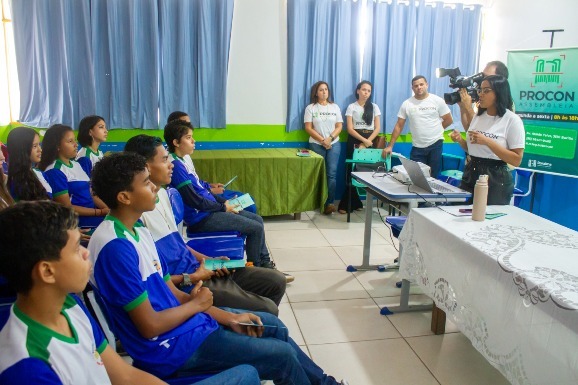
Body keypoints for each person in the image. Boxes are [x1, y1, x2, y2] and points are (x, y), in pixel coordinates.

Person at [88, 152, 348, 385]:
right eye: (146, 183)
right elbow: (149, 326)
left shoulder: (138, 230)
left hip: (187, 325)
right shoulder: (115, 248)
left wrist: (227, 317)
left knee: (273, 326)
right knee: (282, 357)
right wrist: (197, 305)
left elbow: (174, 294)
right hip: (169, 349)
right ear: (124, 197)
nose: (154, 187)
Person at [0, 201, 261, 385]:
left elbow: (122, 375)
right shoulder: (26, 367)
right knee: (248, 374)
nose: (85, 252)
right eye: (75, 248)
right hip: (167, 349)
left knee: (253, 363)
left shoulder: (68, 306)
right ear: (47, 272)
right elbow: (149, 326)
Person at [125, 134, 286, 315]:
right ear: (145, 167)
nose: (170, 164)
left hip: (200, 269)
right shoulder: (137, 216)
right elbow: (158, 282)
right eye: (164, 160)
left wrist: (208, 260)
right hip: (189, 283)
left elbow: (180, 246)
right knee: (266, 307)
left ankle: (255, 322)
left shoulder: (162, 195)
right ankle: (250, 324)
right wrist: (193, 277)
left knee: (276, 281)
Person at [163, 120, 288, 278]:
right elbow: (194, 200)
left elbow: (202, 191)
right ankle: (259, 272)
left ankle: (265, 264)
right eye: (188, 138)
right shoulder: (176, 166)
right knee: (255, 228)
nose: (193, 141)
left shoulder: (182, 161)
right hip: (202, 218)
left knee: (257, 220)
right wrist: (223, 207)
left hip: (209, 210)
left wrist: (224, 203)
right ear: (176, 142)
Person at [450, 75, 525, 205]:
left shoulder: (512, 120)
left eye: (486, 91)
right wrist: (460, 140)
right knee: (460, 213)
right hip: (471, 171)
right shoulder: (479, 116)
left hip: (495, 177)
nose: (481, 95)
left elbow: (516, 159)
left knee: (486, 219)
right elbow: (474, 149)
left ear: (499, 92)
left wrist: (488, 141)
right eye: (480, 90)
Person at [166, 111, 257, 214]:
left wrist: (209, 186)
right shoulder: (175, 164)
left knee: (249, 202)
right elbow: (193, 196)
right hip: (204, 204)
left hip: (207, 195)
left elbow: (195, 181)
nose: (187, 127)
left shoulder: (184, 156)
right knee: (251, 211)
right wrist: (215, 197)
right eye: (188, 136)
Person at [39, 124, 109, 230]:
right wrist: (98, 212)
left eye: (75, 140)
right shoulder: (55, 170)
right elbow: (66, 207)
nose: (76, 144)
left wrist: (107, 209)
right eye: (70, 141)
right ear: (58, 145)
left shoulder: (76, 164)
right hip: (78, 221)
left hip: (93, 214)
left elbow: (92, 194)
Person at [382, 75, 453, 179]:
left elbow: (449, 120)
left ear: (426, 85)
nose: (419, 87)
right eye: (416, 86)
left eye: (421, 84)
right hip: (417, 148)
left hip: (435, 145)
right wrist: (390, 146)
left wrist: (436, 129)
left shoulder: (437, 100)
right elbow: (399, 125)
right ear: (412, 88)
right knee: (416, 178)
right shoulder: (407, 104)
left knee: (433, 178)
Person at [338, 81, 382, 214]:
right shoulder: (351, 107)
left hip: (370, 140)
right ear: (358, 91)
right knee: (351, 170)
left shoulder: (374, 107)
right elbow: (350, 129)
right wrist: (363, 141)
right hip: (354, 139)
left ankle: (357, 202)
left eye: (368, 91)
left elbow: (377, 127)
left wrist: (368, 141)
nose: (366, 93)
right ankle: (346, 205)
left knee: (365, 171)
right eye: (363, 90)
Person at [304, 81, 343, 215]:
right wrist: (322, 140)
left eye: (326, 89)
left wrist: (330, 139)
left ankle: (329, 203)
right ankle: (316, 202)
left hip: (334, 143)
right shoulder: (311, 108)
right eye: (321, 90)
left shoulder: (334, 107)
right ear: (316, 92)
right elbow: (308, 128)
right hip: (316, 144)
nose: (324, 92)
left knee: (331, 174)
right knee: (317, 174)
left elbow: (339, 126)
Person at [457, 61, 509, 131]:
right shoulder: (481, 99)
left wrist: (469, 108)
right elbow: (469, 129)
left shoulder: (505, 108)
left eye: (486, 77)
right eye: (482, 76)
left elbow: (481, 131)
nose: (482, 79)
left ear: (499, 80)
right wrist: (463, 107)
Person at [6, 127, 52, 201]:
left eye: (39, 145)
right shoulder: (16, 182)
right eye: (34, 146)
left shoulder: (40, 173)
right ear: (22, 149)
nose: (40, 150)